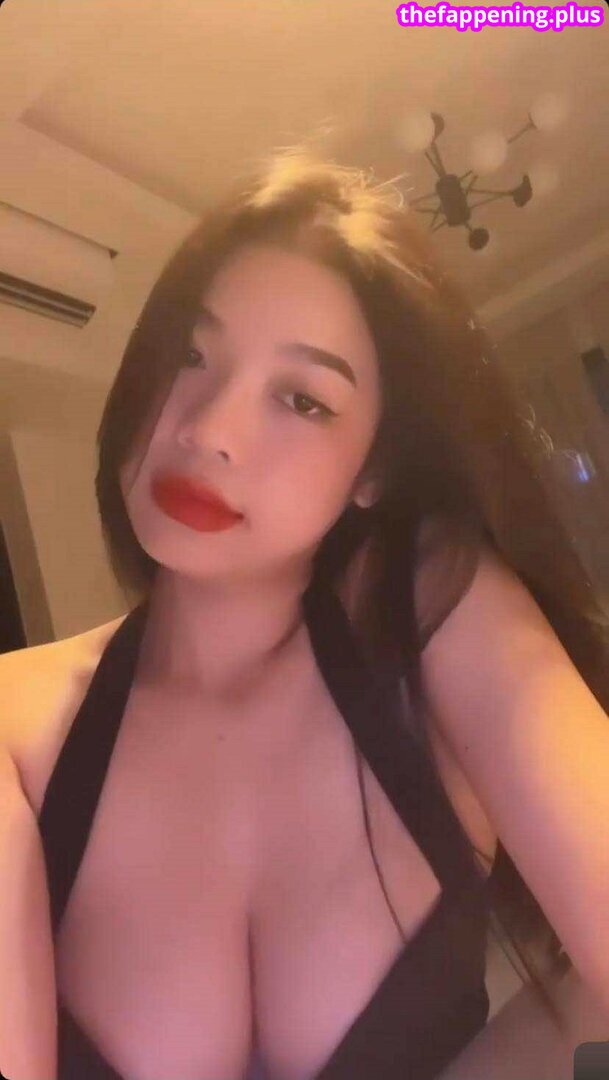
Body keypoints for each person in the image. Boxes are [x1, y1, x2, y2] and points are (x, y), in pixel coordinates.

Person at [1, 146, 609, 1080]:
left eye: (301, 399)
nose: (208, 429)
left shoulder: (433, 607)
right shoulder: (14, 723)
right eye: (189, 354)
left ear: (376, 468)